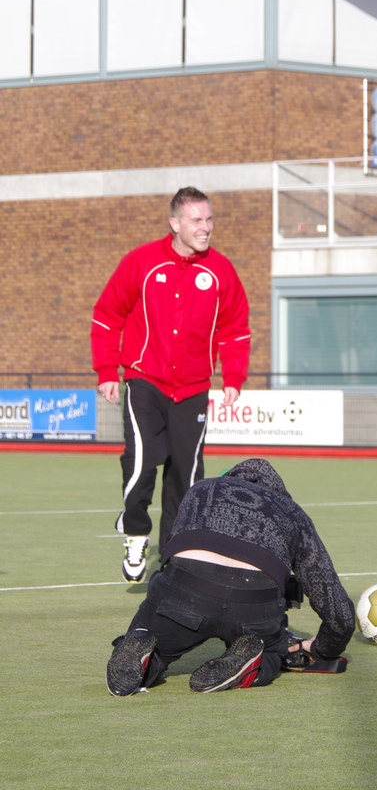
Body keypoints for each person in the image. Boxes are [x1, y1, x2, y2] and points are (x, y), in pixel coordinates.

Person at [91, 187, 251, 583]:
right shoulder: (140, 262)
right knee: (144, 461)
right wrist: (107, 371)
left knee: (187, 475)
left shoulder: (221, 271)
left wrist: (233, 376)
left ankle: (174, 559)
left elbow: (235, 329)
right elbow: (107, 315)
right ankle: (135, 532)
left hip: (193, 388)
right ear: (175, 223)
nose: (206, 227)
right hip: (144, 380)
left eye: (209, 219)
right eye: (197, 220)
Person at [105, 458, 355, 696]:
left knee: (152, 638)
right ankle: (252, 663)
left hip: (185, 586)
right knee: (271, 653)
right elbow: (339, 614)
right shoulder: (292, 512)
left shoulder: (200, 489)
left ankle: (144, 657)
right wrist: (321, 649)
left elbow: (170, 555)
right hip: (253, 602)